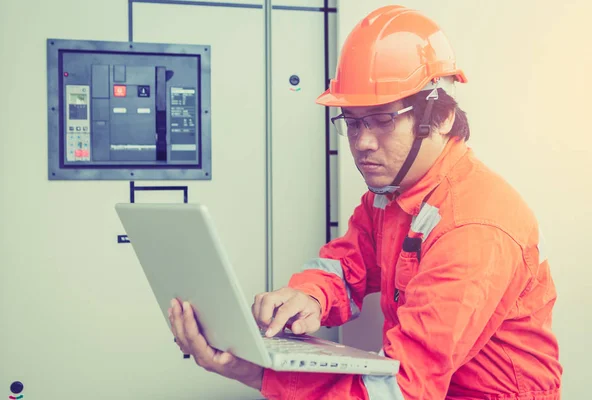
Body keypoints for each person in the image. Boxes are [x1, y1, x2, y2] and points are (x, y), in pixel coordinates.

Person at [168, 5, 563, 399]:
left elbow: (399, 391)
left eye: (383, 120)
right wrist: (311, 295)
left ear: (440, 116)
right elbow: (346, 262)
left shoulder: (474, 228)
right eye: (353, 122)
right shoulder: (394, 194)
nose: (363, 143)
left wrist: (258, 373)